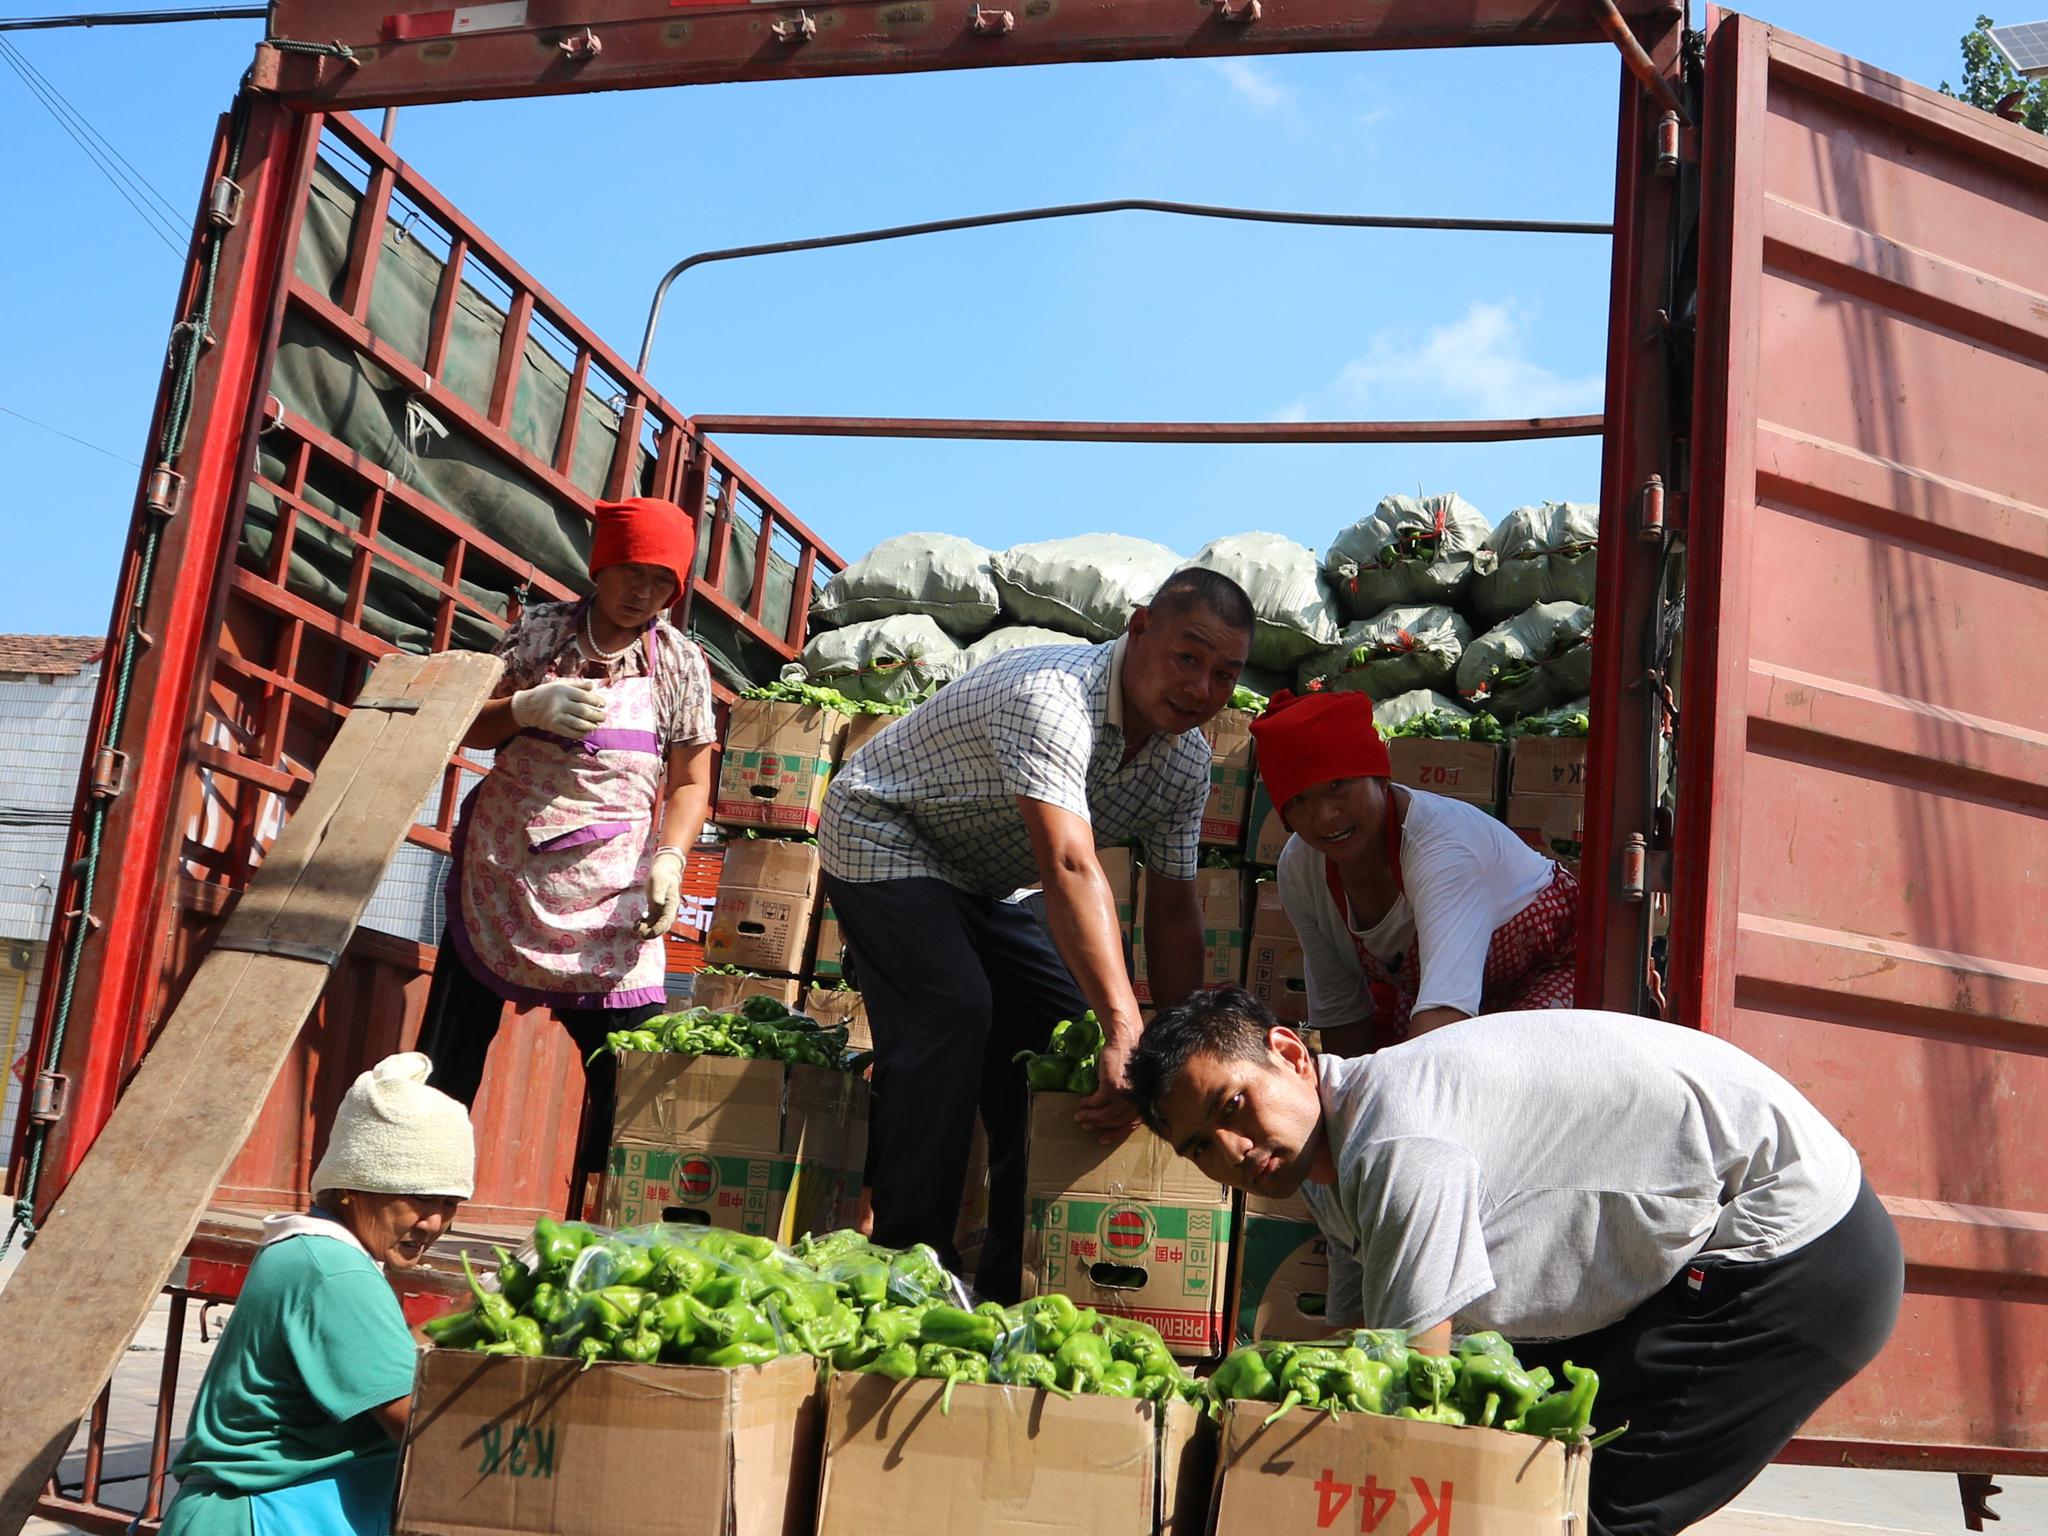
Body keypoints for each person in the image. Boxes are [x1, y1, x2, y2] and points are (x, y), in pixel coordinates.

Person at [1128, 989, 1903, 1536]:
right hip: (1719, 1241)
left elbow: (1406, 1391)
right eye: (1199, 1146)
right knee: (1523, 1459)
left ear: (1291, 1054)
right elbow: (1364, 1343)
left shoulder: (1398, 1145)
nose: (1231, 1151)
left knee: (1574, 1509)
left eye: (1232, 1108)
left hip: (1795, 1249)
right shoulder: (1329, 1161)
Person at [818, 567, 1255, 1301]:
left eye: (1224, 675)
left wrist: (1185, 1045)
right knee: (953, 1010)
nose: (1200, 688)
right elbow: (1069, 864)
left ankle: (1012, 1280)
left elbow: (1174, 908)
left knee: (1059, 1039)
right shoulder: (1050, 694)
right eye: (1188, 656)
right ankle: (905, 1263)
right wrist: (1126, 1029)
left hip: (987, 877)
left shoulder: (1184, 762)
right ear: (1140, 627)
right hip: (884, 832)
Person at [418, 496, 717, 1207]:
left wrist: (670, 859)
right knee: (449, 1049)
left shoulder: (678, 662)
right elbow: (470, 729)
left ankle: (613, 1211)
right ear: (600, 566)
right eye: (630, 572)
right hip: (507, 871)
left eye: (660, 581)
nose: (642, 592)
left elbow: (693, 778)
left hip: (614, 885)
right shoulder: (539, 635)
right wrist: (523, 708)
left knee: (629, 1065)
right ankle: (415, 1189)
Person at [161, 1053, 475, 1536]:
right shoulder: (336, 1272)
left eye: (449, 1203)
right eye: (418, 1199)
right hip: (263, 1517)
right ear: (355, 1186)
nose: (433, 1223)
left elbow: (375, 1361)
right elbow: (416, 1421)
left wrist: (456, 1318)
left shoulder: (311, 1251)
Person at [1250, 687, 1577, 1055]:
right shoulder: (1301, 870)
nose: (1325, 816)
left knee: (1503, 1079)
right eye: (1299, 801)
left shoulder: (1442, 848)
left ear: (1380, 777)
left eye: (1338, 786)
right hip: (1439, 994)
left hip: (1551, 972)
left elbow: (1442, 1023)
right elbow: (1342, 1012)